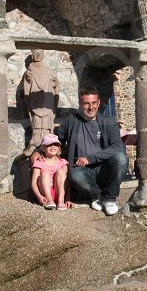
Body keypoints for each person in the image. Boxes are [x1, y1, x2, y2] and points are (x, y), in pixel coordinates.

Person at [32, 87, 127, 216]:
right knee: (75, 175)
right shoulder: (71, 121)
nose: (90, 107)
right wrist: (38, 150)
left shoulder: (108, 121)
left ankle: (110, 199)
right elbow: (55, 139)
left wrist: (90, 158)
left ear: (98, 103)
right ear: (80, 104)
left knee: (121, 158)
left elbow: (117, 146)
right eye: (86, 103)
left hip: (104, 167)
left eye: (94, 103)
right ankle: (97, 196)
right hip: (82, 170)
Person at [22, 49, 59, 156]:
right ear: (32, 55)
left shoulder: (48, 70)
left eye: (39, 53)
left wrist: (55, 82)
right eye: (35, 53)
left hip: (47, 100)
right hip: (35, 100)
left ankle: (48, 140)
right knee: (37, 121)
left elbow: (55, 83)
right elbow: (27, 85)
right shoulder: (29, 71)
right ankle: (36, 140)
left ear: (43, 55)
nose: (37, 55)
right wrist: (28, 79)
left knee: (47, 121)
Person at [31, 134, 71, 210]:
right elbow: (33, 183)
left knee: (61, 172)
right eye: (49, 144)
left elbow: (67, 183)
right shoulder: (39, 163)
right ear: (43, 148)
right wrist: (39, 197)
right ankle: (50, 200)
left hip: (59, 193)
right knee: (45, 172)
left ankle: (61, 201)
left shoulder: (63, 162)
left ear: (59, 148)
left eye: (56, 144)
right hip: (45, 196)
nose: (53, 147)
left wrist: (68, 199)